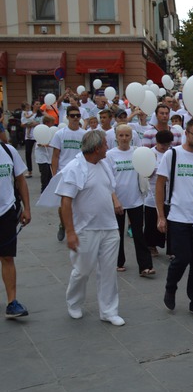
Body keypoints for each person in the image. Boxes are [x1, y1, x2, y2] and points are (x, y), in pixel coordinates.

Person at [56, 130, 124, 326]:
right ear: (96, 148)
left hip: (109, 227)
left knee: (109, 270)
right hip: (85, 229)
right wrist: (70, 232)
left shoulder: (104, 165)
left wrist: (115, 200)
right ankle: (74, 303)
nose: (107, 148)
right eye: (104, 144)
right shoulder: (74, 167)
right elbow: (66, 202)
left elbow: (108, 188)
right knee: (83, 270)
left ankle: (109, 311)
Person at [156, 118, 193, 318]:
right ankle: (171, 286)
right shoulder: (172, 155)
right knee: (182, 257)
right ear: (186, 133)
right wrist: (161, 216)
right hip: (178, 216)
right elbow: (160, 185)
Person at [105, 124, 154, 276]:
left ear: (132, 136)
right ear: (116, 137)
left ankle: (145, 266)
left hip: (136, 200)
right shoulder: (110, 155)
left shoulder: (137, 153)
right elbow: (107, 180)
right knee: (116, 234)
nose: (124, 138)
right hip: (117, 201)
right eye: (121, 135)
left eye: (127, 135)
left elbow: (147, 171)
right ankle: (118, 261)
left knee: (139, 233)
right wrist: (115, 200)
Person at [0, 140, 31, 318]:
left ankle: (12, 302)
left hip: (6, 212)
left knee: (7, 257)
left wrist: (26, 208)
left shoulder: (8, 150)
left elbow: (20, 180)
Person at [51, 106, 86, 241]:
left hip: (80, 172)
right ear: (67, 117)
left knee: (80, 203)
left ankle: (77, 227)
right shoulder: (60, 134)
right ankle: (62, 224)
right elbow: (55, 156)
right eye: (72, 116)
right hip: (64, 173)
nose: (76, 118)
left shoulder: (84, 134)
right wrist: (54, 175)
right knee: (63, 204)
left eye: (78, 115)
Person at [144, 130, 174, 258]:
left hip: (168, 194)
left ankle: (172, 249)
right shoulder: (150, 154)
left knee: (170, 222)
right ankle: (151, 245)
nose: (164, 147)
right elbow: (145, 173)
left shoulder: (172, 153)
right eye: (162, 144)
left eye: (167, 144)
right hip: (152, 193)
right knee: (151, 222)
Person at [35, 115, 55, 192]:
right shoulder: (42, 130)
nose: (53, 125)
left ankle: (48, 189)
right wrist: (48, 144)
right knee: (44, 174)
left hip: (49, 156)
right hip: (42, 158)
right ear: (47, 123)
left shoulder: (50, 132)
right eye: (52, 123)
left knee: (50, 174)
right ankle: (43, 189)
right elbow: (39, 143)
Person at [21, 101, 41, 178]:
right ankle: (29, 171)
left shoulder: (41, 114)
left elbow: (43, 122)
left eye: (39, 104)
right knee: (28, 153)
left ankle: (42, 170)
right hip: (29, 137)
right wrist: (29, 124)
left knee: (39, 153)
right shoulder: (27, 113)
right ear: (33, 105)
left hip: (39, 135)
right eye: (36, 104)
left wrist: (35, 124)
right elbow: (22, 124)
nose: (38, 105)